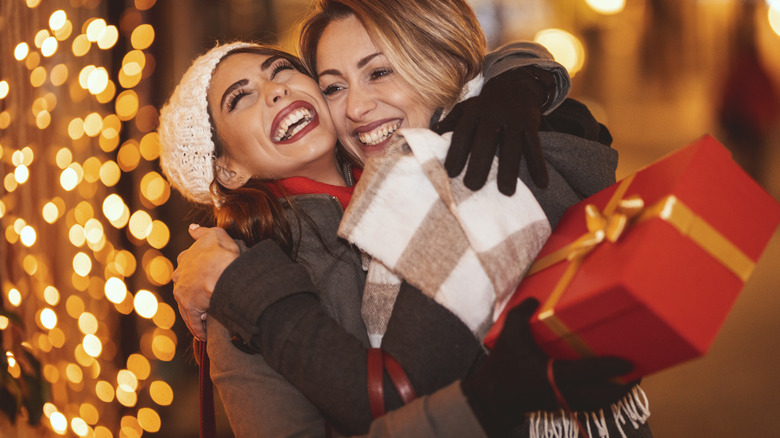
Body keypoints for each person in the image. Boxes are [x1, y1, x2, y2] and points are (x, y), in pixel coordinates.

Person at [167, 1, 653, 437]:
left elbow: (488, 77)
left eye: (378, 73)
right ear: (227, 168)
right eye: (241, 97)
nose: (356, 105)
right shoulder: (243, 270)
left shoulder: (463, 169)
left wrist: (525, 80)